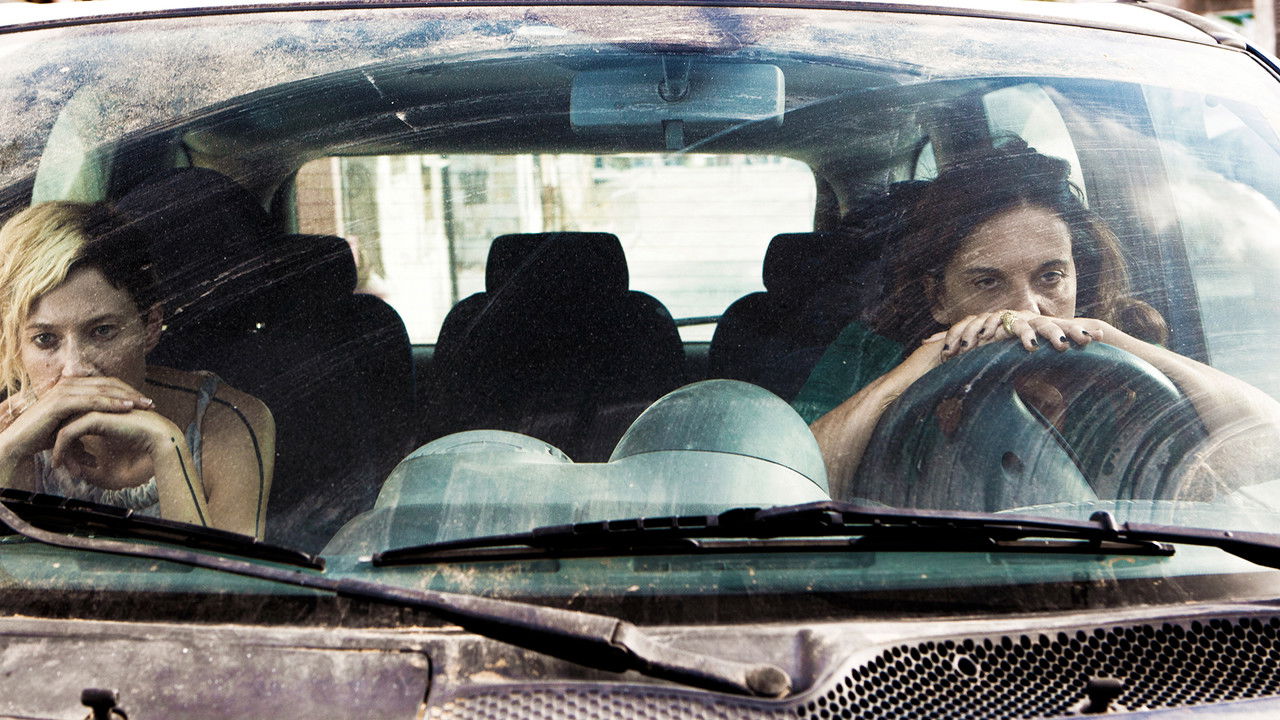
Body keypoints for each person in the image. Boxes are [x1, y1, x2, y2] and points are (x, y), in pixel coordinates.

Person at [796, 148, 1280, 500]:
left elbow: (1270, 446)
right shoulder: (868, 356)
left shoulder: (1121, 370)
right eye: (987, 282)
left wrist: (1109, 340)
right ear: (938, 296)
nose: (1027, 307)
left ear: (1077, 275)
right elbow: (790, 491)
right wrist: (920, 368)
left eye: (1051, 277)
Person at [0, 202, 274, 537]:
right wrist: (8, 453)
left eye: (102, 331)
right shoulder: (9, 430)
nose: (74, 370)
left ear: (150, 326)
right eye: (45, 339)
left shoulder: (225, 423)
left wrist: (168, 447)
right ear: (16, 344)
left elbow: (217, 588)